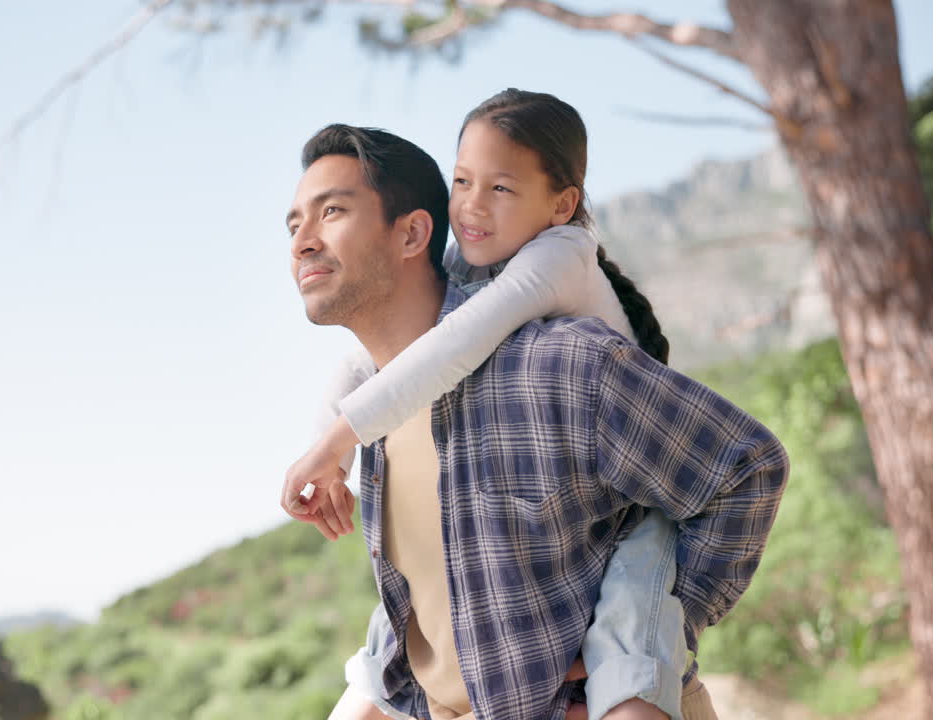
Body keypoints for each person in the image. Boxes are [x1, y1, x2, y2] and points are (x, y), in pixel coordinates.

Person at [283, 94, 788, 720]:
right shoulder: (382, 417)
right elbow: (434, 606)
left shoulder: (562, 362)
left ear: (414, 230)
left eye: (331, 212)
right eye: (293, 224)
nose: (302, 242)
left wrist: (642, 651)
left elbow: (748, 467)